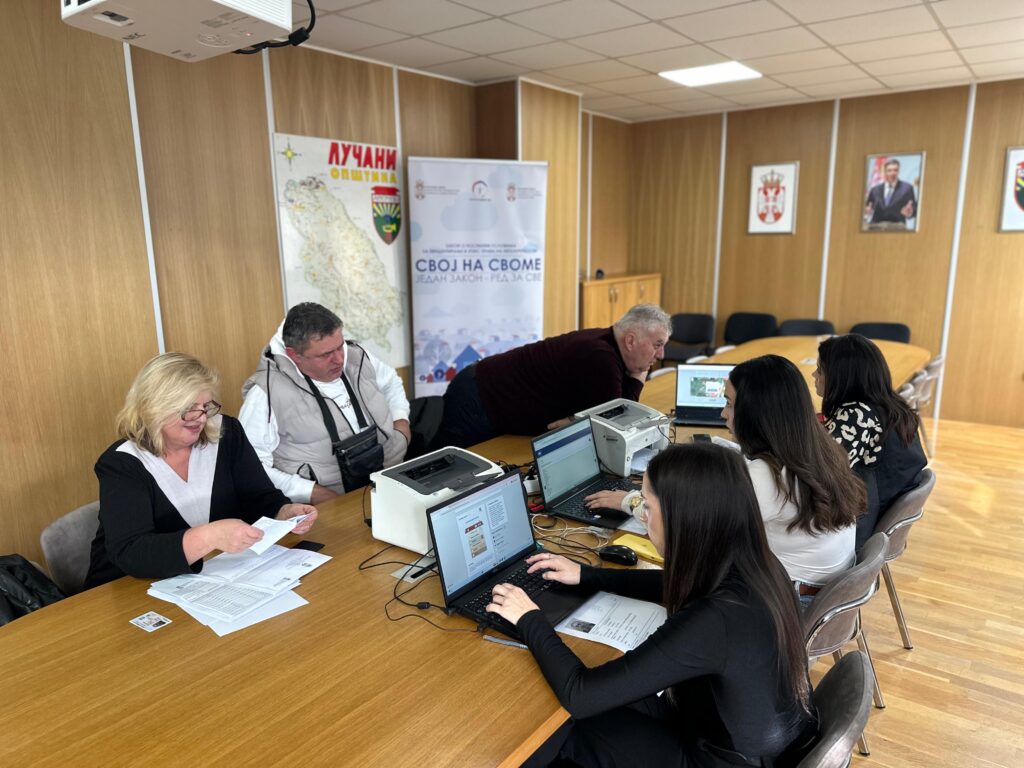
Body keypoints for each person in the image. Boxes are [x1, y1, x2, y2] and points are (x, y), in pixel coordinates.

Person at [486, 443, 818, 767]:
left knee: (569, 727)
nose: (642, 517)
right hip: (738, 732)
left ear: (682, 518)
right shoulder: (757, 564)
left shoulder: (715, 621)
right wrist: (586, 575)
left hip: (718, 756)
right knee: (609, 698)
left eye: (647, 506)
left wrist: (529, 617)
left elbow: (580, 695)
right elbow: (669, 585)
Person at [85, 353, 317, 589]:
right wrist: (209, 537)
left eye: (205, 406)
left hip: (208, 579)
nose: (201, 418)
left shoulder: (227, 433)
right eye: (189, 408)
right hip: (124, 589)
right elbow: (132, 553)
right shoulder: (121, 464)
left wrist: (282, 512)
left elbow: (257, 496)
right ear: (154, 408)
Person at [721, 355, 864, 602]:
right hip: (827, 597)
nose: (723, 413)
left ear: (754, 413)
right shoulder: (824, 450)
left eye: (729, 404)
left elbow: (707, 532)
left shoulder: (768, 475)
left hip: (787, 604)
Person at [240, 302, 410, 504]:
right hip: (330, 505)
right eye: (326, 354)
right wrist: (311, 492)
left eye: (340, 347)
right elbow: (251, 467)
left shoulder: (356, 356)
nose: (339, 359)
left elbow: (391, 382)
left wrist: (401, 421)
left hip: (388, 485)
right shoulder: (265, 393)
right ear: (294, 355)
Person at [436, 304, 671, 448]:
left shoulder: (607, 348)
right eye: (657, 345)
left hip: (490, 396)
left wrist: (579, 420)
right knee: (445, 477)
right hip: (478, 397)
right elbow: (619, 427)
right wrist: (637, 376)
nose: (661, 354)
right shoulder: (601, 357)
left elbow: (615, 416)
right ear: (630, 341)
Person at [815, 334, 927, 550]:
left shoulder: (857, 415)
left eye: (820, 370)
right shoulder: (889, 405)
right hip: (876, 518)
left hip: (853, 532)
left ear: (841, 377)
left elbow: (820, 472)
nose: (814, 375)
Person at [864, 158, 917, 226]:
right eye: (889, 170)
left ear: (898, 171)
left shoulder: (907, 188)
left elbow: (914, 210)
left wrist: (910, 213)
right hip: (875, 226)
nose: (893, 173)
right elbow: (868, 208)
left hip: (897, 226)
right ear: (885, 172)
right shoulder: (875, 190)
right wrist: (867, 212)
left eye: (895, 170)